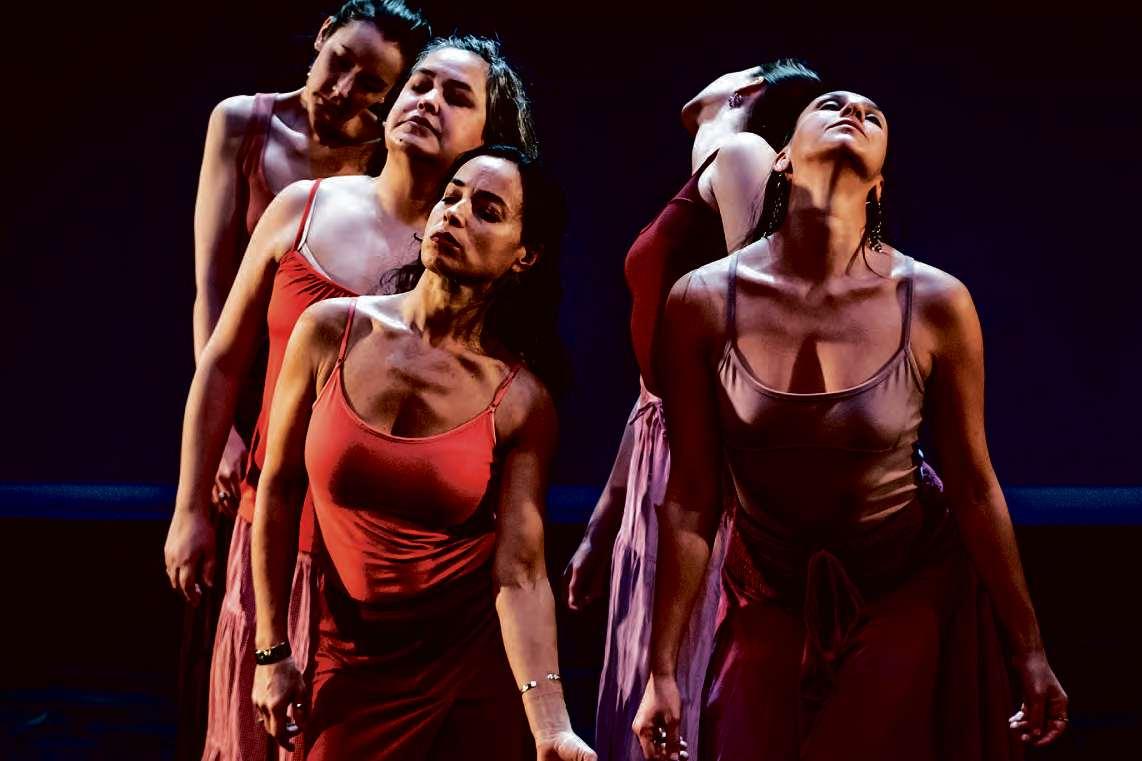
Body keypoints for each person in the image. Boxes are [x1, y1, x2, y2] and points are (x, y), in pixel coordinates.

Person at [633, 90, 1068, 760]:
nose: (853, 114)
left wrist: (1029, 651)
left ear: (880, 182)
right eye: (830, 105)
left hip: (905, 585)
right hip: (769, 590)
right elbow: (692, 497)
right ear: (781, 158)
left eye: (873, 115)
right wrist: (662, 669)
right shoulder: (702, 300)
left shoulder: (936, 301)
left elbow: (975, 486)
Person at [165, 35, 538, 760]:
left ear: (487, 136)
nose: (427, 102)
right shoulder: (302, 208)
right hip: (274, 531)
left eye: (456, 96)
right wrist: (189, 508)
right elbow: (222, 363)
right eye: (420, 85)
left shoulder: (473, 253)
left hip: (386, 576)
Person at [250, 145, 594, 761]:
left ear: (525, 254)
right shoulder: (330, 329)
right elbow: (277, 487)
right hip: (352, 659)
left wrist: (551, 727)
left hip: (469, 668)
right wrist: (271, 652)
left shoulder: (521, 400)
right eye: (451, 197)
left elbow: (521, 572)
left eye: (487, 210)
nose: (455, 213)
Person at [174, 3, 429, 756]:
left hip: (334, 395)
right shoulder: (245, 125)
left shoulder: (388, 155)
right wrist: (221, 440)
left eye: (372, 83)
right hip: (247, 373)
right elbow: (213, 292)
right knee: (225, 605)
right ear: (321, 35)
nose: (343, 89)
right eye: (339, 60)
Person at [564, 61, 824, 760]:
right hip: (664, 447)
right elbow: (653, 387)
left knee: (691, 681)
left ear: (748, 89)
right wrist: (603, 520)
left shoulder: (741, 153)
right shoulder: (717, 167)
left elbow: (761, 326)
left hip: (706, 464)